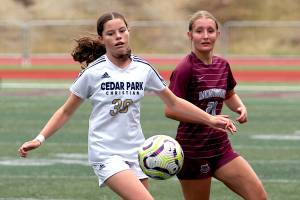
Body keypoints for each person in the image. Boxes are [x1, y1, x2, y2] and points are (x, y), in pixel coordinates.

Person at [18, 12, 236, 200]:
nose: (118, 36)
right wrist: (39, 138)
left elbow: (173, 102)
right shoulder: (93, 72)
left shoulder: (143, 68)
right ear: (103, 39)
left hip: (137, 152)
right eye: (111, 33)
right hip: (106, 153)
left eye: (122, 30)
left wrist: (210, 119)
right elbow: (66, 110)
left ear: (128, 32)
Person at [164, 10, 267, 200]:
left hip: (221, 148)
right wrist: (208, 120)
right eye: (199, 31)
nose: (205, 36)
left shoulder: (222, 64)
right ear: (190, 35)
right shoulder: (185, 68)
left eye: (210, 31)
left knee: (258, 196)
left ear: (217, 35)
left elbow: (229, 94)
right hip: (194, 151)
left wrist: (240, 107)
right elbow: (170, 108)